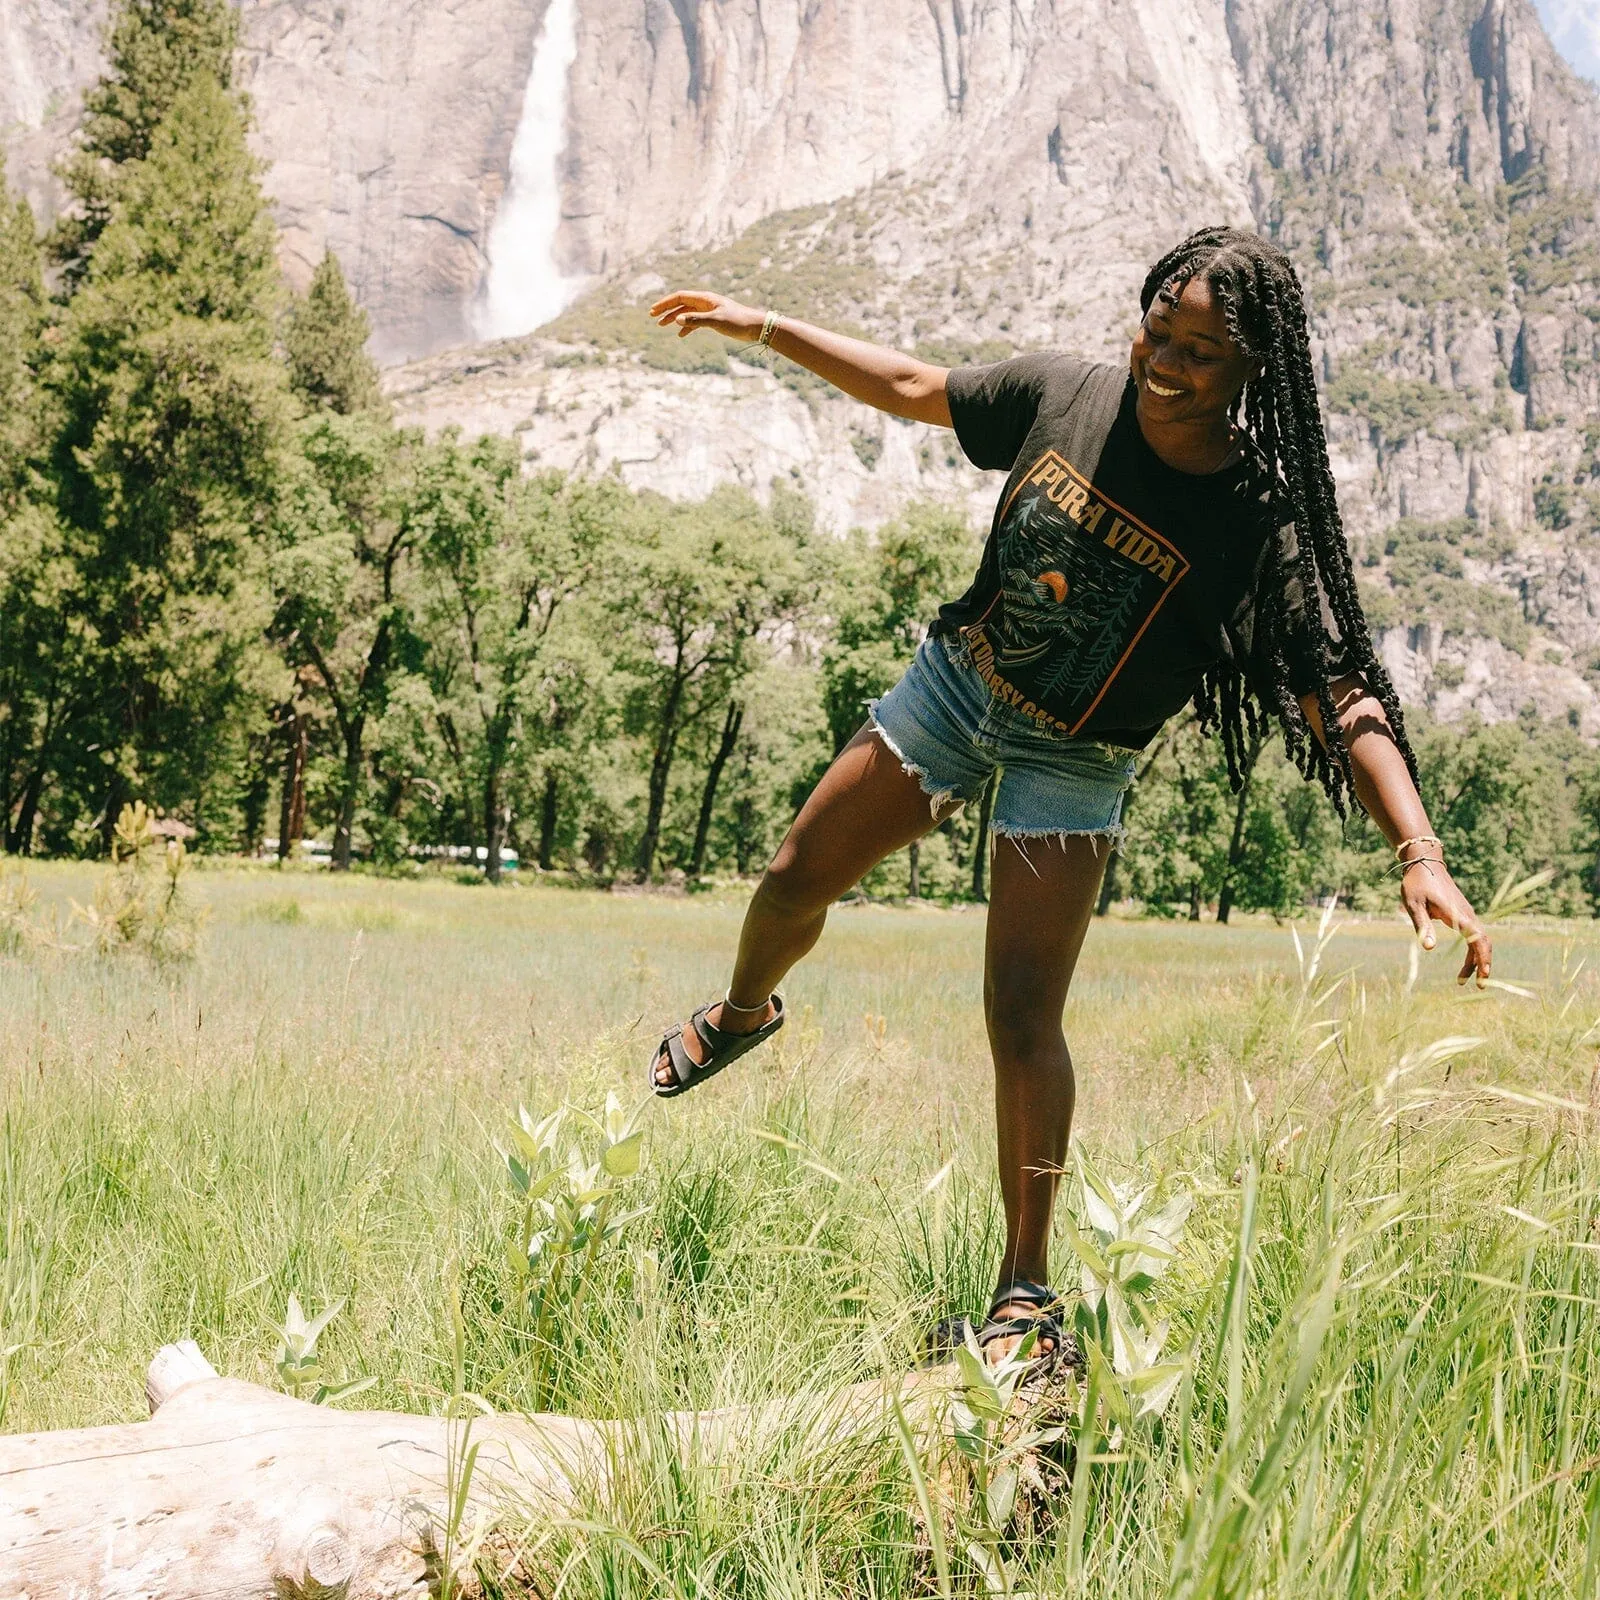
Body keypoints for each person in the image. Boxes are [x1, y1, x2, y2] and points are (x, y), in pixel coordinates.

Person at [645, 226, 1492, 1365]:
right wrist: (763, 325)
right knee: (795, 876)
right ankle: (744, 1012)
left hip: (1079, 759)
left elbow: (1337, 695)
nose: (1171, 359)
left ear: (1251, 372)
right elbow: (909, 386)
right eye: (1162, 327)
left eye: (1205, 348)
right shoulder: (1063, 396)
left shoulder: (1256, 523)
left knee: (1020, 1012)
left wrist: (1417, 849)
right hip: (959, 684)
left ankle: (1022, 1291)